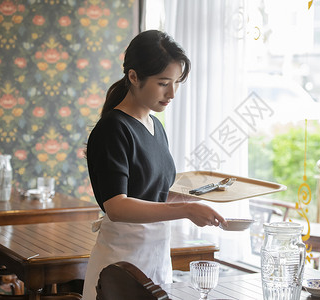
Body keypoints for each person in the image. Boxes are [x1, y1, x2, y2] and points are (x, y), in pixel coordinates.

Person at [82, 30, 227, 300]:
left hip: (156, 256)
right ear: (134, 77)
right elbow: (117, 206)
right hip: (120, 264)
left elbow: (152, 193)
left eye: (176, 83)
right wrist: (186, 209)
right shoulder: (112, 128)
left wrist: (200, 198)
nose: (171, 93)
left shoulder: (155, 126)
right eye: (163, 83)